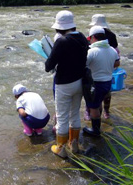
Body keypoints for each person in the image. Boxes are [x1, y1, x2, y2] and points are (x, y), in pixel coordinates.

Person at [45, 10, 89, 158]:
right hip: (79, 82)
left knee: (63, 116)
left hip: (64, 84)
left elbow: (48, 66)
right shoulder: (83, 38)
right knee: (75, 113)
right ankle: (74, 144)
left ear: (59, 27)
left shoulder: (61, 41)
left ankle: (61, 148)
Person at [83, 26, 120, 137]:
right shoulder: (112, 50)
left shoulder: (92, 52)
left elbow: (83, 66)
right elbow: (117, 63)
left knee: (93, 106)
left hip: (96, 83)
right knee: (98, 102)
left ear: (93, 37)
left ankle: (95, 130)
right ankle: (98, 125)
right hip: (108, 82)